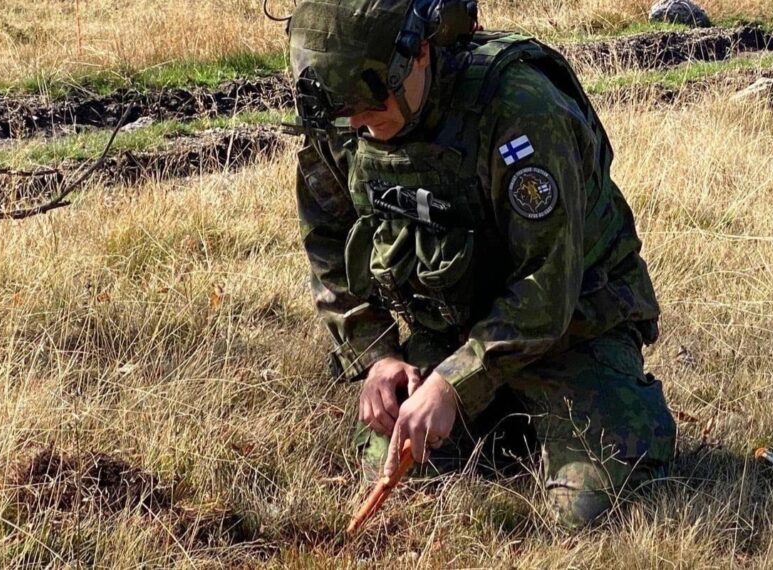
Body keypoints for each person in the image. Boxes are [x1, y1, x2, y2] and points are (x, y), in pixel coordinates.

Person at [287, 0, 677, 527]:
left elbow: (548, 285)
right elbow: (328, 242)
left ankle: (592, 413)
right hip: (454, 330)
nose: (358, 123)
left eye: (370, 103)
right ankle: (510, 422)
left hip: (574, 328)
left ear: (419, 53)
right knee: (398, 474)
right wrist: (377, 356)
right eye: (343, 110)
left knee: (588, 512)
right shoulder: (340, 109)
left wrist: (454, 384)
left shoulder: (520, 110)